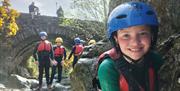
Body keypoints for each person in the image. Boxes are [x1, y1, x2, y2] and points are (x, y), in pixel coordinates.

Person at [97, 1, 163, 91]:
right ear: (116, 38)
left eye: (143, 33)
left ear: (151, 35)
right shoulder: (108, 68)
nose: (135, 43)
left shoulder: (155, 59)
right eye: (126, 35)